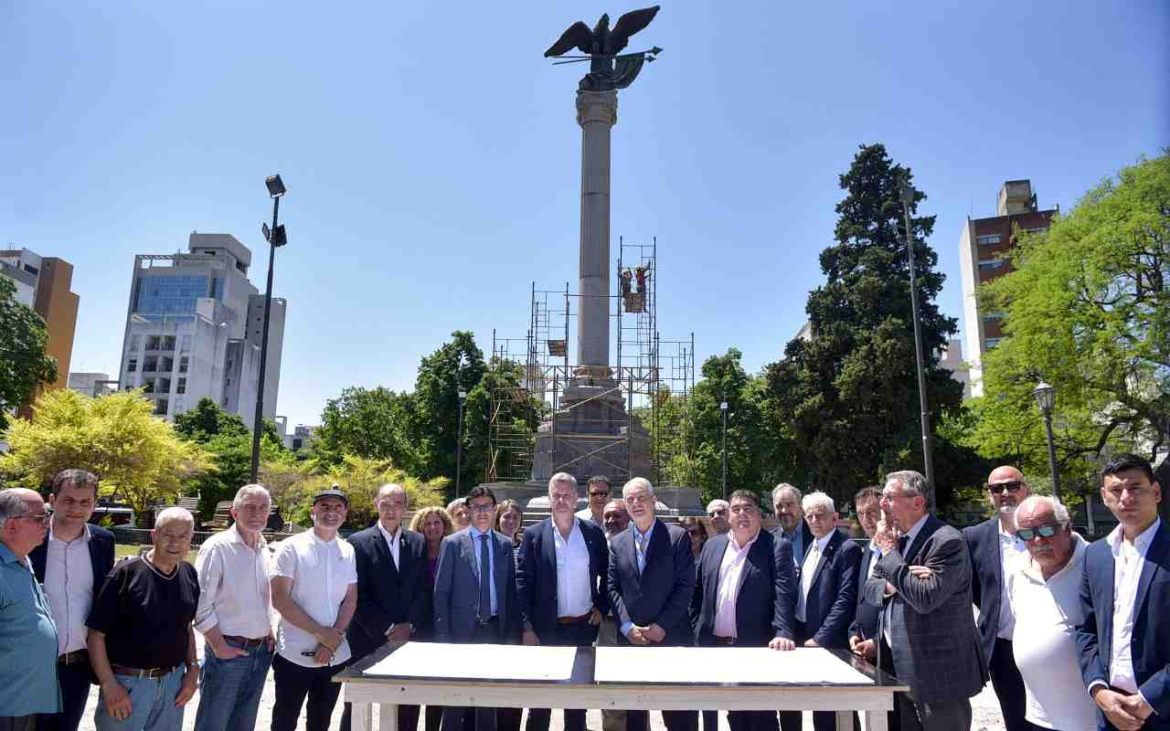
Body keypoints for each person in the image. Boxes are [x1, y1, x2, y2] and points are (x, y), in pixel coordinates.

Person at [864, 470, 986, 731]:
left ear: (917, 502)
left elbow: (924, 598)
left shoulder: (946, 540)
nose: (881, 504)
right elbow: (871, 590)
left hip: (937, 671)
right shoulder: (897, 538)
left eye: (888, 497)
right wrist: (897, 580)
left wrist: (888, 552)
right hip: (897, 663)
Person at [1075, 453, 1168, 731]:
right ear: (1105, 496)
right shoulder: (1096, 555)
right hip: (1110, 711)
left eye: (1135, 487)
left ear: (1156, 491)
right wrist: (1098, 690)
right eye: (1117, 490)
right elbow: (1085, 629)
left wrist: (1149, 699)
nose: (1126, 497)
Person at [87, 507, 200, 731]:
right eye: (167, 534)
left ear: (191, 539)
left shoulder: (188, 573)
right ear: (154, 535)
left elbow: (186, 627)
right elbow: (95, 636)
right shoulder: (125, 573)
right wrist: (109, 685)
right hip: (127, 685)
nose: (174, 542)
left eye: (182, 536)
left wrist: (193, 670)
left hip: (172, 685)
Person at [692, 490, 796, 731]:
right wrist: (697, 626)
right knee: (732, 715)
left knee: (760, 716)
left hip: (755, 646)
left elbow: (784, 593)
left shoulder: (776, 547)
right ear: (728, 515)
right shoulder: (713, 546)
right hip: (714, 645)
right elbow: (697, 592)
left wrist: (782, 632)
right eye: (736, 509)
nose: (742, 514)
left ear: (759, 514)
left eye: (748, 508)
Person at [517, 473, 609, 731]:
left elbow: (608, 573)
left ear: (577, 498)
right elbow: (522, 582)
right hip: (546, 630)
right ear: (548, 498)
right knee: (540, 704)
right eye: (556, 495)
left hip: (582, 629)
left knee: (576, 704)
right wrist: (527, 626)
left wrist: (601, 606)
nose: (561, 500)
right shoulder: (534, 535)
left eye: (566, 495)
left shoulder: (592, 533)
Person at [30, 470, 115, 731]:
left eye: (84, 502)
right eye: (68, 500)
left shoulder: (103, 542)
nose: (76, 509)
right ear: (53, 500)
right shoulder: (31, 539)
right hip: (31, 665)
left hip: (76, 667)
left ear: (93, 504)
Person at [608, 478, 697, 731]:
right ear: (625, 504)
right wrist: (626, 627)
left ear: (654, 501)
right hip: (632, 640)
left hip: (671, 637)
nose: (636, 503)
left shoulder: (677, 537)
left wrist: (662, 626)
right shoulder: (618, 542)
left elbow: (685, 586)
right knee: (635, 716)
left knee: (679, 716)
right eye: (630, 499)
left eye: (641, 498)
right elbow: (613, 587)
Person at [433, 486, 521, 731]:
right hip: (461, 632)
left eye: (486, 506)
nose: (482, 512)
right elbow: (441, 594)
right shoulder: (451, 544)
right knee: (455, 701)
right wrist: (443, 638)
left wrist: (512, 637)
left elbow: (510, 595)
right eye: (476, 507)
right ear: (468, 510)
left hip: (494, 630)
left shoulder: (504, 545)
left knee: (487, 701)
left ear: (494, 509)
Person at [342, 484, 429, 731]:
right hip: (367, 636)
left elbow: (423, 590)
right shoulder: (357, 542)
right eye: (385, 504)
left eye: (398, 504)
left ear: (406, 508)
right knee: (357, 704)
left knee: (408, 704)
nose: (391, 510)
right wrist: (389, 628)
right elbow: (357, 594)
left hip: (409, 639)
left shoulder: (418, 541)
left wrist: (409, 626)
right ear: (376, 504)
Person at [270, 488, 358, 731]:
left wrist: (331, 642)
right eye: (324, 506)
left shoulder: (348, 550)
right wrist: (322, 634)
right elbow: (279, 599)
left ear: (345, 513)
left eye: (337, 507)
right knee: (285, 719)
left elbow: (350, 599)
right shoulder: (291, 547)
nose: (331, 512)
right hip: (294, 653)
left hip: (334, 654)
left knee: (321, 720)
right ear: (312, 511)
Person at [1006, 496, 1096, 731]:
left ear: (1066, 527)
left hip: (1091, 718)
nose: (1037, 540)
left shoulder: (1096, 563)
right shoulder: (1017, 569)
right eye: (1026, 534)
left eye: (1046, 529)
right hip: (1039, 715)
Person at [192, 484, 275, 731]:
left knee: (243, 724)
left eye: (263, 508)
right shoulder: (217, 547)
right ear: (234, 512)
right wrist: (218, 646)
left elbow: (263, 599)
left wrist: (269, 630)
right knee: (214, 722)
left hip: (260, 652)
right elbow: (200, 604)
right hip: (228, 650)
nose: (257, 513)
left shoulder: (264, 548)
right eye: (250, 507)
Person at [780, 492, 861, 731]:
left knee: (836, 711)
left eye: (821, 515)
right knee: (817, 708)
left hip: (828, 641)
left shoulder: (847, 548)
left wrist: (820, 638)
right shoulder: (812, 546)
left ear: (835, 518)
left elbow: (845, 599)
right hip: (803, 633)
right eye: (810, 516)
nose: (815, 520)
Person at [963, 467, 1035, 731]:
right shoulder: (974, 537)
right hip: (1003, 649)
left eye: (1012, 486)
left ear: (1026, 489)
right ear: (989, 495)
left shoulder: (1048, 529)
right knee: (1016, 720)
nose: (1005, 493)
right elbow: (970, 588)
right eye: (997, 489)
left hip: (1047, 647)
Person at [0, 488, 60, 731]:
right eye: (40, 517)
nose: (48, 522)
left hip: (24, 700)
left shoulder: (22, 559)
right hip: (7, 704)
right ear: (12, 526)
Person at [848, 486, 900, 731]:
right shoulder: (867, 550)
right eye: (860, 513)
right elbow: (862, 599)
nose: (866, 519)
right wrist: (854, 632)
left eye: (871, 512)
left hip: (893, 656)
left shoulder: (897, 548)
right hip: (866, 653)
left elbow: (902, 605)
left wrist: (878, 643)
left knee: (897, 720)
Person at [409, 506, 454, 731]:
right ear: (419, 527)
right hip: (418, 625)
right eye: (427, 523)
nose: (433, 528)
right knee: (412, 687)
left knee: (437, 688)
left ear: (445, 525)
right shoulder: (413, 553)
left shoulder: (453, 550)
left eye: (437, 523)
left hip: (444, 625)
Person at [598, 499, 630, 731]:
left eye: (617, 516)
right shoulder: (597, 543)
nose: (611, 521)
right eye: (607, 517)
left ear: (628, 518)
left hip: (635, 623)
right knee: (609, 683)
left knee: (637, 683)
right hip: (606, 623)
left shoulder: (637, 543)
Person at [772, 484, 812, 567]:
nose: (784, 510)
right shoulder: (769, 540)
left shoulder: (815, 534)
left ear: (800, 507)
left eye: (789, 505)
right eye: (779, 506)